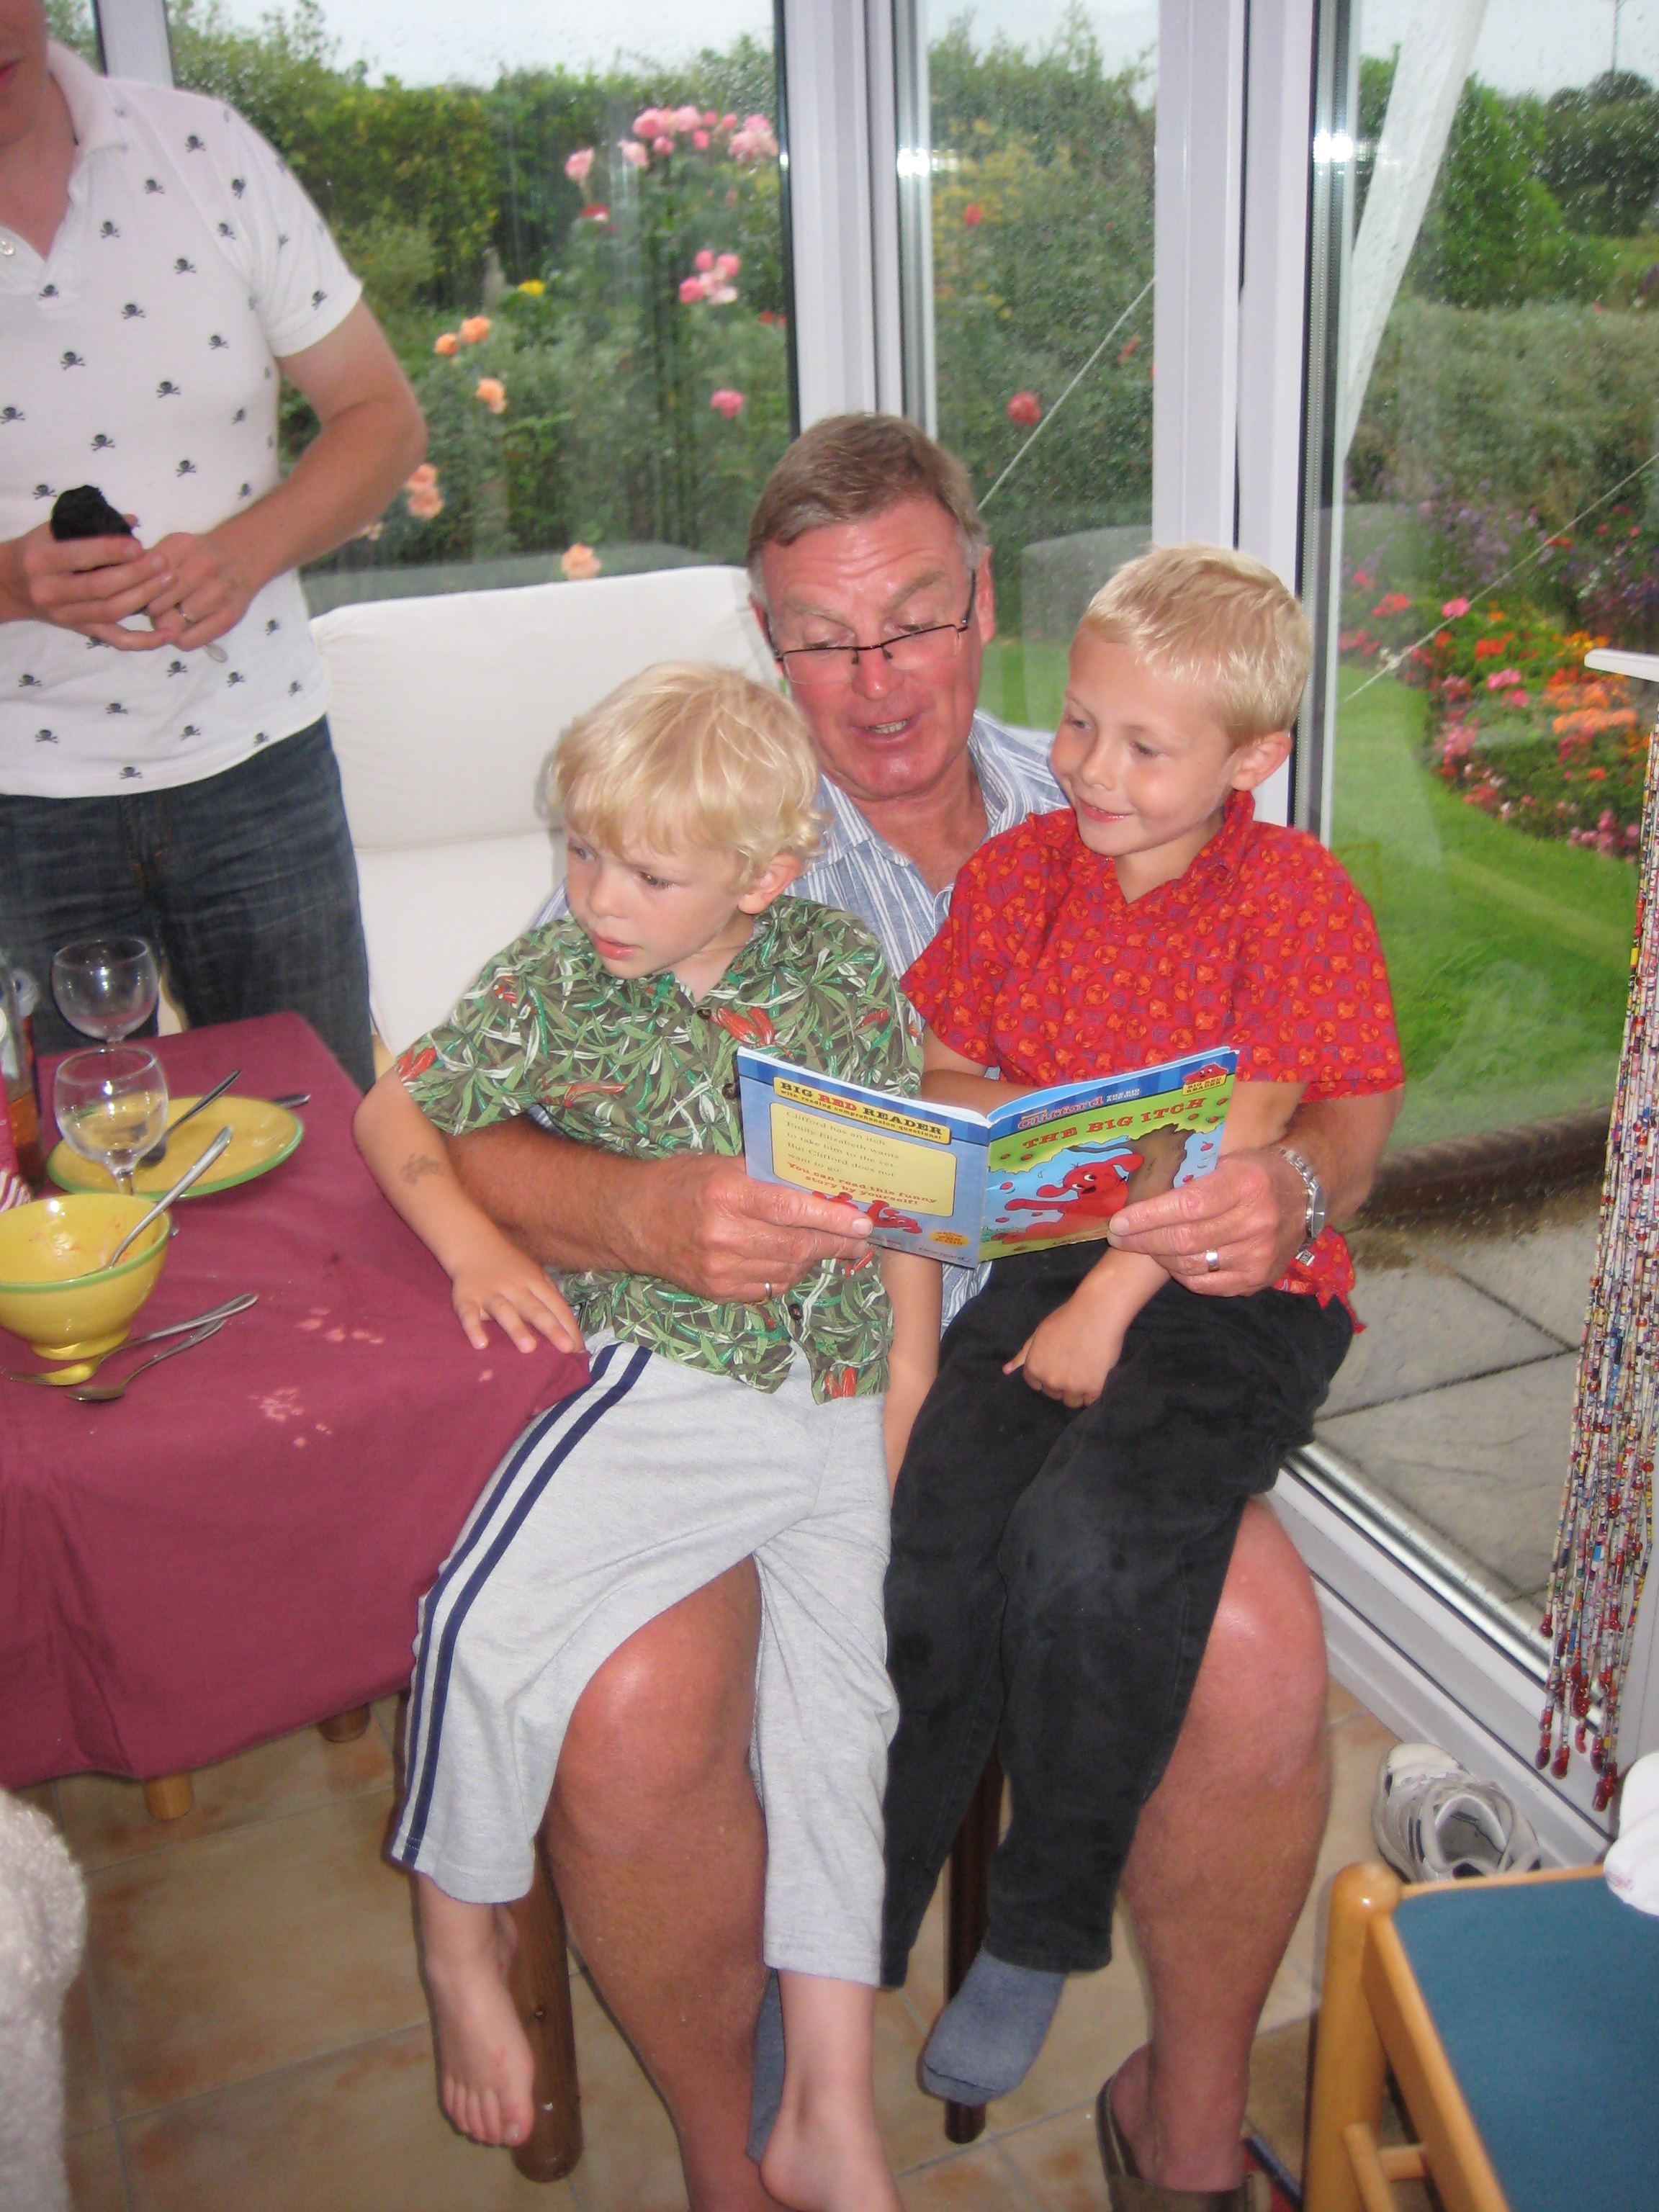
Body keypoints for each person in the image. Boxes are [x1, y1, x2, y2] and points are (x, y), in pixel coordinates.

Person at [446, 415, 1406, 2209]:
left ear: (980, 598)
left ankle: (1182, 2128)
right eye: (824, 639)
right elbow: (463, 1124)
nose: (877, 680)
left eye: (911, 622)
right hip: (770, 1365)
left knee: (1257, 1644)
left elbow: (1337, 1090)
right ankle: (740, 2157)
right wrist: (644, 1207)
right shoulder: (686, 827)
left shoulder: (1117, 780)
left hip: (1087, 1332)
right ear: (766, 639)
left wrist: (1290, 1190)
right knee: (636, 1704)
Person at [354, 664, 940, 2212]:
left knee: (840, 1736)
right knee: (480, 1630)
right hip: (673, 1383)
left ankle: (829, 2108)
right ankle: (460, 1937)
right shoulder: (560, 978)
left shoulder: (841, 971)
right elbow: (392, 1110)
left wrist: (908, 1383)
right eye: (584, 851)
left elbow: (899, 1200)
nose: (601, 896)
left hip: (833, 1401)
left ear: (766, 874)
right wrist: (473, 1247)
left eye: (649, 873)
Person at [880, 548, 1403, 2203]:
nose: (1091, 769)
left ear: (1253, 759)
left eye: (1144, 746)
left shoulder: (1290, 894)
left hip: (1234, 1297)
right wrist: (973, 1128)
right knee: (939, 1530)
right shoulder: (1019, 872)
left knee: (1095, 1543)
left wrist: (1111, 1302)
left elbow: (1255, 1131)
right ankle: (857, 1927)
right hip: (1054, 1262)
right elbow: (947, 1058)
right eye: (1081, 724)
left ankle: (1039, 1932)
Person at [0, 6, 425, 1089]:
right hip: (20, 796)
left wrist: (246, 551)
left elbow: (383, 418)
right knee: (70, 1171)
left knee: (325, 1135)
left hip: (258, 762)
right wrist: (10, 582)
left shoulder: (202, 148)